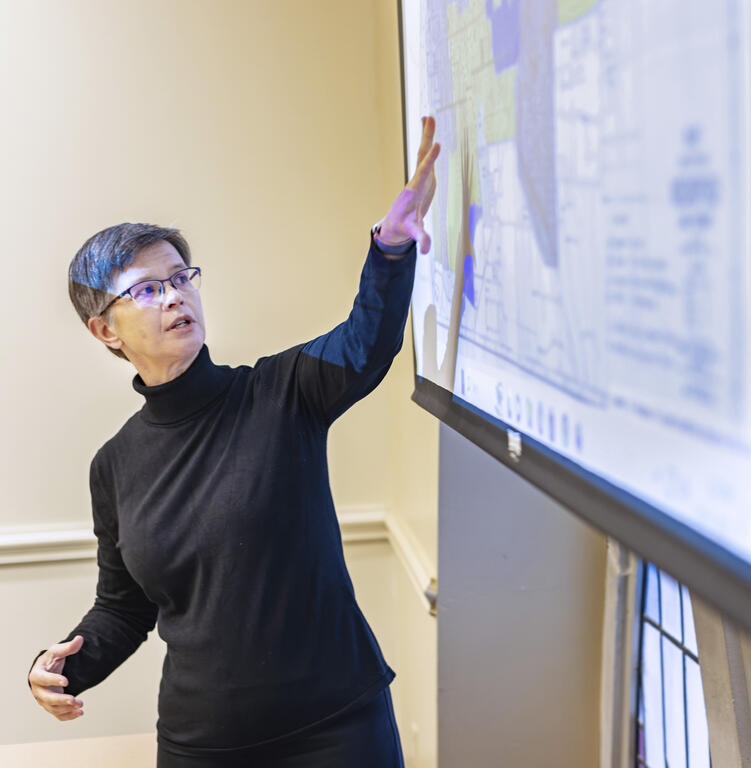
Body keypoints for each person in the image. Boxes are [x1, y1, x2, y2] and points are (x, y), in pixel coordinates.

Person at [26, 118, 441, 767]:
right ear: (104, 330)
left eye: (181, 277)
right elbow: (123, 606)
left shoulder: (281, 392)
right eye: (147, 289)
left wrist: (390, 248)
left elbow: (366, 342)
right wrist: (59, 670)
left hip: (337, 726)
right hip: (204, 743)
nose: (175, 297)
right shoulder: (115, 465)